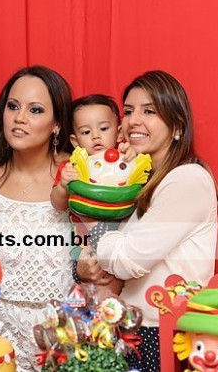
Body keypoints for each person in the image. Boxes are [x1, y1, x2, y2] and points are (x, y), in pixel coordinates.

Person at [75, 71, 218, 372]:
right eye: (128, 111)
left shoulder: (187, 180)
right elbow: (114, 260)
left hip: (161, 332)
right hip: (130, 325)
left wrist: (89, 216)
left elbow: (127, 260)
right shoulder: (141, 182)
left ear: (177, 127)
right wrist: (88, 269)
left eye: (149, 111)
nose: (133, 121)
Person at [0, 65, 74, 372]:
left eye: (35, 110)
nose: (19, 118)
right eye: (13, 106)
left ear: (57, 124)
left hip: (61, 341)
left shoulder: (76, 173)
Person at [51, 94, 136, 297]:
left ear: (119, 133)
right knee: (93, 287)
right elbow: (57, 204)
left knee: (116, 288)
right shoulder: (73, 167)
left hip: (121, 240)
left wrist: (132, 156)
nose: (96, 136)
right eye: (86, 132)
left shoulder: (125, 159)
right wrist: (63, 185)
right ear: (75, 140)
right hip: (84, 242)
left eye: (103, 129)